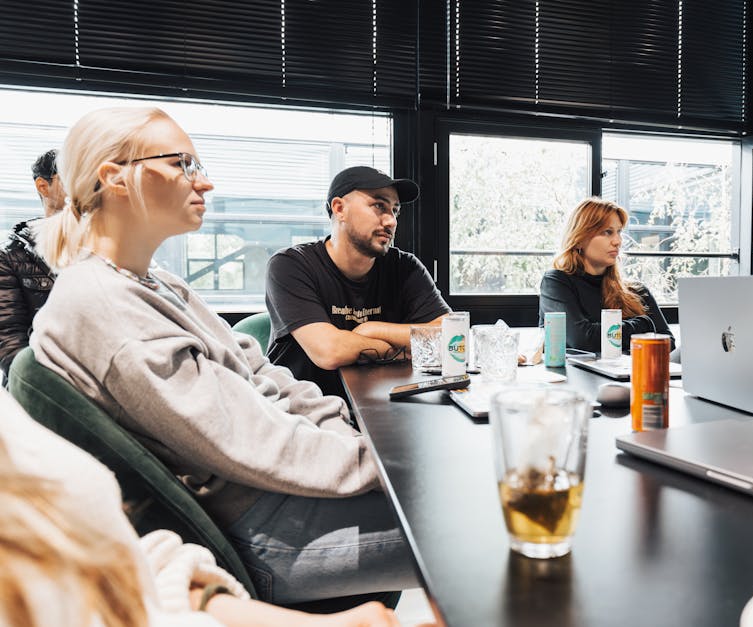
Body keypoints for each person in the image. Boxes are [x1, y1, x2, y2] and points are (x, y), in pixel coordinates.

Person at [31, 107, 416, 605]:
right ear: (115, 178)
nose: (205, 183)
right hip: (269, 530)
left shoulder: (158, 283)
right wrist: (389, 467)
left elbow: (264, 375)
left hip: (286, 493)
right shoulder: (102, 306)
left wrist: (356, 443)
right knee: (483, 520)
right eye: (183, 165)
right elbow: (252, 442)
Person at [0, 388, 407, 627]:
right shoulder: (97, 305)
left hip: (214, 576)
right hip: (269, 526)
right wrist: (377, 462)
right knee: (454, 534)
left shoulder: (14, 432)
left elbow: (135, 571)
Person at [266, 166, 450, 398]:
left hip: (382, 401)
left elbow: (452, 337)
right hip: (303, 409)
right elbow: (330, 351)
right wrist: (406, 349)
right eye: (379, 206)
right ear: (339, 208)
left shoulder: (405, 267)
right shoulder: (291, 265)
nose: (391, 221)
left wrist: (371, 329)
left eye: (395, 211)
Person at [538, 197, 675, 353]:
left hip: (632, 375)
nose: (617, 241)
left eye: (619, 232)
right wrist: (643, 325)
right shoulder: (556, 282)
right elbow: (582, 340)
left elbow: (668, 344)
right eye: (607, 232)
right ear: (579, 239)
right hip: (577, 377)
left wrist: (607, 335)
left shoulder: (636, 291)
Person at [0, 149, 66, 378]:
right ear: (42, 186)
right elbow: (9, 339)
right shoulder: (11, 256)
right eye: (69, 176)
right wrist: (45, 388)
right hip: (42, 385)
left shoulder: (102, 246)